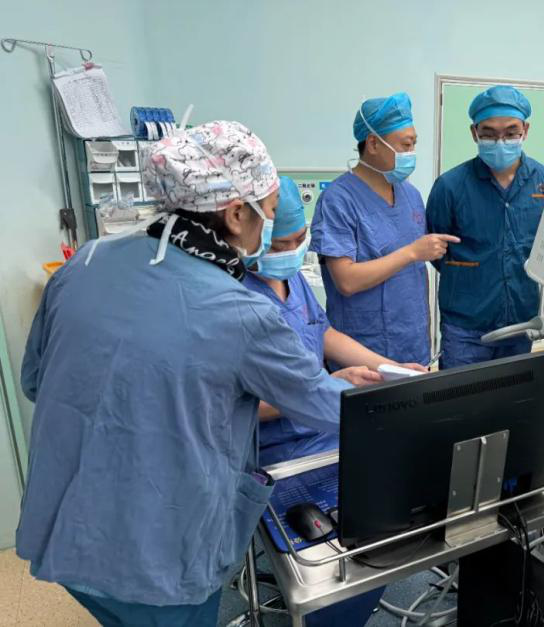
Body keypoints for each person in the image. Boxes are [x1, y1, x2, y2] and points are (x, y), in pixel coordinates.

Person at [15, 122, 350, 626]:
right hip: (159, 554)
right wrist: (406, 391)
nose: (270, 228)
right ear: (237, 213)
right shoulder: (241, 312)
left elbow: (34, 381)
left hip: (65, 530)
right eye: (270, 210)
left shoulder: (86, 261)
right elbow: (326, 406)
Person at [244, 176, 426, 466]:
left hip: (322, 426)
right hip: (279, 447)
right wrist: (324, 386)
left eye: (300, 240)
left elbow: (323, 333)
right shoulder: (234, 295)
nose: (291, 251)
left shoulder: (292, 278)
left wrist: (390, 368)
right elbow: (232, 405)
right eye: (278, 246)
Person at [310, 92, 459, 366]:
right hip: (364, 352)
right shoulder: (338, 200)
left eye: (414, 144)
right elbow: (346, 281)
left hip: (413, 343)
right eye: (405, 145)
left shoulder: (410, 195)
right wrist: (412, 252)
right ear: (373, 143)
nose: (411, 153)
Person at [426, 85, 544, 369]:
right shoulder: (450, 186)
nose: (500, 141)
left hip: (521, 319)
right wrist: (474, 275)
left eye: (510, 132)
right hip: (466, 325)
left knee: (511, 393)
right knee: (461, 395)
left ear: (525, 130)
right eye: (489, 133)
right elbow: (436, 253)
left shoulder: (542, 180)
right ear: (474, 133)